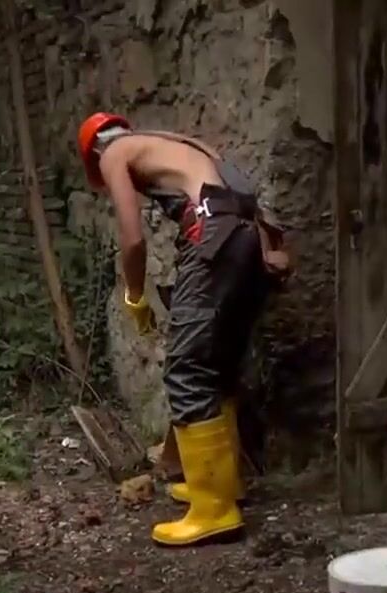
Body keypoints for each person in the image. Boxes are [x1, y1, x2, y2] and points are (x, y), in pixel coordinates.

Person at [75, 111, 290, 547]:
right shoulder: (179, 144)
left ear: (94, 153)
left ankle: (214, 510)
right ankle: (222, 486)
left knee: (186, 369)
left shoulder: (113, 153)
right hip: (244, 236)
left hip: (212, 235)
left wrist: (134, 294)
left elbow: (132, 239)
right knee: (216, 365)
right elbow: (241, 190)